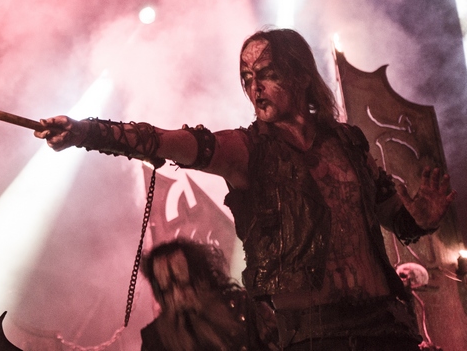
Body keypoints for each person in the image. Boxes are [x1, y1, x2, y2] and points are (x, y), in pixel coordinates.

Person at [34, 28, 456, 350]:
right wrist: (86, 131)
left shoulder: (349, 143)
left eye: (267, 75)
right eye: (246, 77)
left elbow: (394, 218)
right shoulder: (246, 149)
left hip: (384, 325)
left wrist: (421, 217)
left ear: (301, 76)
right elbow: (163, 140)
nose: (254, 87)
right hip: (309, 335)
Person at [140, 238, 278, 351]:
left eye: (185, 284)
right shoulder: (154, 339)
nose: (178, 296)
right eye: (167, 290)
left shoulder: (244, 306)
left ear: (201, 279)